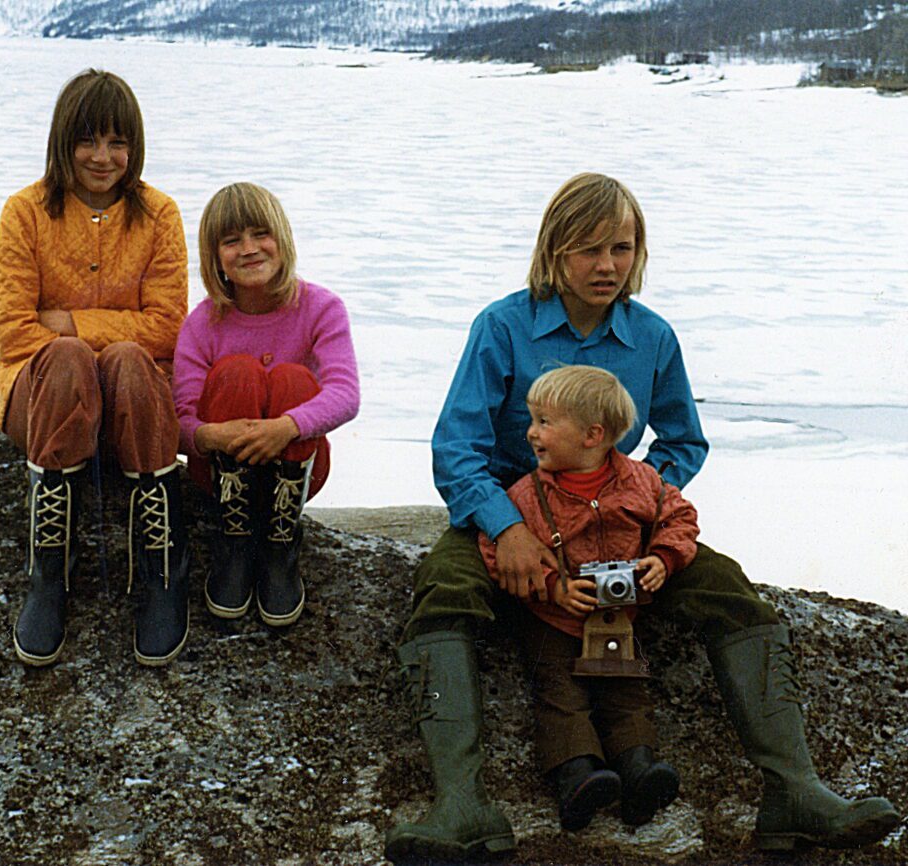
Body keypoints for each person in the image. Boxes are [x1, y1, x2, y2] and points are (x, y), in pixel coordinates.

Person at [385, 172, 899, 860]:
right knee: (444, 589)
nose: (607, 266)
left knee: (726, 587)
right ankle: (462, 804)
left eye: (622, 248)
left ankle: (795, 792)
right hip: (511, 515)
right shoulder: (502, 327)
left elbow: (683, 440)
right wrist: (505, 530)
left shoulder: (653, 338)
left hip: (616, 524)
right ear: (553, 251)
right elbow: (456, 448)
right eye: (589, 250)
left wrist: (641, 502)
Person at [0, 69, 190, 668]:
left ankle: (158, 566)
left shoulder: (159, 214)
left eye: (117, 142)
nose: (103, 158)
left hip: (133, 399)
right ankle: (49, 570)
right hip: (47, 395)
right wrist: (80, 339)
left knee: (127, 359)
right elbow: (9, 332)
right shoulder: (24, 212)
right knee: (71, 358)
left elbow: (169, 329)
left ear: (135, 146)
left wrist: (72, 321)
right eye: (88, 140)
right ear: (62, 141)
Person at [478, 365, 695, 832]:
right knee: (560, 694)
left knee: (627, 693)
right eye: (532, 419)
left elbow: (680, 518)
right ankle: (577, 776)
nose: (531, 433)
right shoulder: (528, 493)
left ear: (593, 435)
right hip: (551, 619)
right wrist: (551, 586)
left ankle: (639, 769)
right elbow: (497, 549)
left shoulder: (640, 482)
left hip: (616, 620)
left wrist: (663, 557)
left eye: (544, 423)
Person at [172, 182, 359, 627]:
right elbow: (180, 419)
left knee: (293, 378)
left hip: (295, 467)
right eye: (232, 241)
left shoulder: (321, 307)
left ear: (283, 238)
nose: (249, 249)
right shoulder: (202, 323)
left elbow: (346, 394)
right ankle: (234, 541)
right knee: (237, 371)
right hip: (221, 472)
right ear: (214, 256)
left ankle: (279, 544)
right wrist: (208, 434)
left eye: (261, 234)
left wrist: (286, 427)